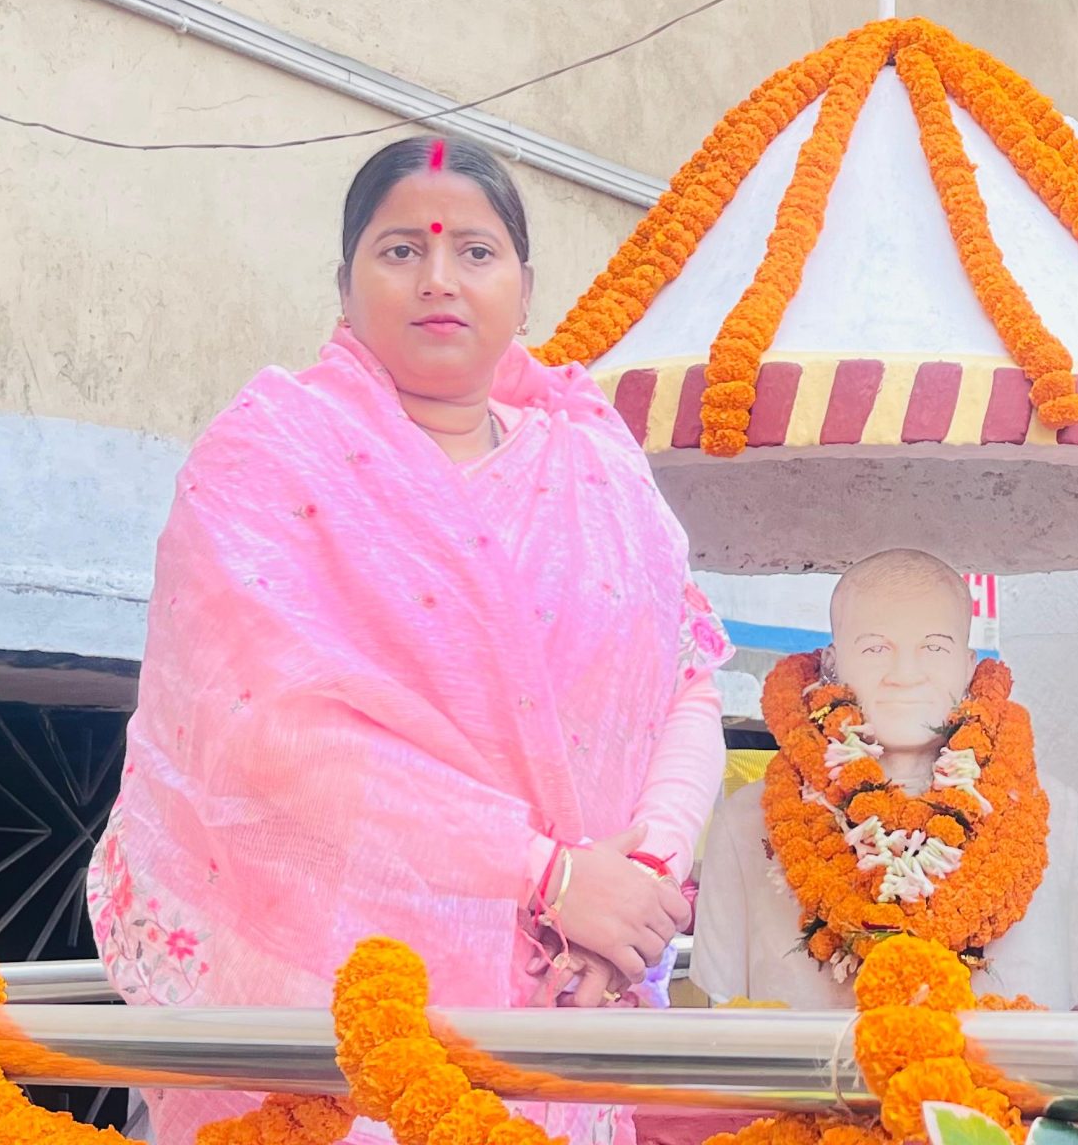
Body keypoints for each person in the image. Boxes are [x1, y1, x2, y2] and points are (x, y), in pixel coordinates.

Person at [93, 137, 730, 1145]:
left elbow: (687, 683)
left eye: (475, 251)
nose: (439, 278)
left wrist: (635, 888)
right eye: (401, 251)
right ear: (345, 288)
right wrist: (552, 877)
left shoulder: (597, 469)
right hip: (337, 1023)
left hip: (570, 1006)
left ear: (525, 290)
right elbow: (263, 730)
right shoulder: (271, 457)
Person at [692, 549, 1078, 1009]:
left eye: (933, 647)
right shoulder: (746, 823)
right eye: (876, 648)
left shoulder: (1058, 817)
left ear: (969, 665)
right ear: (832, 663)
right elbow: (726, 1015)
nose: (905, 675)